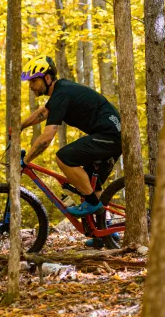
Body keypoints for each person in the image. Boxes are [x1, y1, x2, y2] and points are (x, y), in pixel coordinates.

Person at [18, 55, 122, 224]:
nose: (30, 86)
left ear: (48, 78)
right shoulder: (61, 92)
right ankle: (103, 233)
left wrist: (25, 161)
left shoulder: (61, 93)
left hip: (109, 136)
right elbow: (44, 112)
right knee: (90, 185)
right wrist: (20, 126)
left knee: (64, 157)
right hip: (110, 136)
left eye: (34, 81)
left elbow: (47, 137)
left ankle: (92, 205)